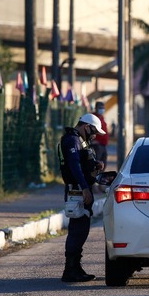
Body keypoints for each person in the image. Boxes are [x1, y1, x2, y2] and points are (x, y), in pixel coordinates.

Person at [58, 113, 106, 282]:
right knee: (78, 230)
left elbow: (83, 165)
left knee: (82, 228)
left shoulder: (80, 141)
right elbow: (75, 166)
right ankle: (70, 270)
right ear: (86, 126)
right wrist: (85, 188)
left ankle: (75, 267)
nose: (94, 136)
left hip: (82, 189)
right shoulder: (72, 140)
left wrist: (96, 167)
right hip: (77, 191)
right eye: (93, 131)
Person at [90, 101, 109, 169]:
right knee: (97, 164)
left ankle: (100, 177)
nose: (102, 109)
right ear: (96, 108)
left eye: (103, 108)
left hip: (103, 145)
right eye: (100, 108)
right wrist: (93, 141)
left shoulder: (102, 117)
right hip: (97, 146)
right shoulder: (93, 118)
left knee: (103, 164)